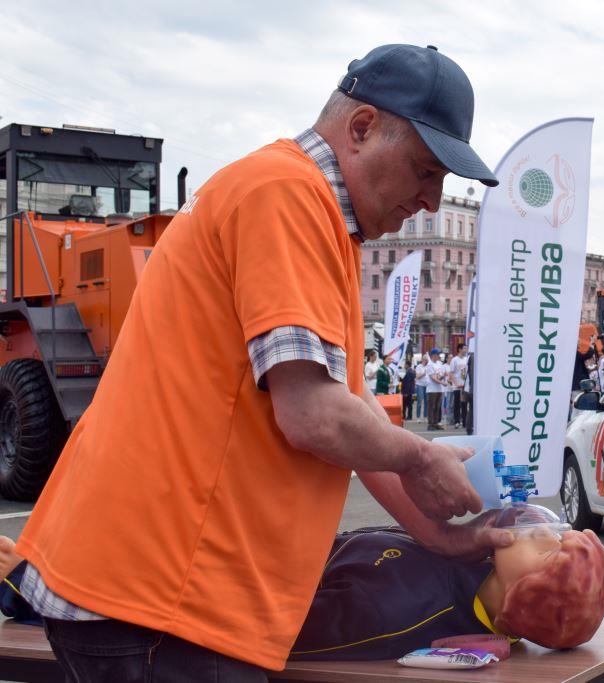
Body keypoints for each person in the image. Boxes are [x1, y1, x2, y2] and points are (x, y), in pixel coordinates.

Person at [13, 43, 505, 679]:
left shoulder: (305, 209)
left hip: (155, 594)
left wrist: (439, 535)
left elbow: (350, 410)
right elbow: (313, 416)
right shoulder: (287, 194)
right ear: (362, 128)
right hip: (164, 599)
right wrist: (420, 457)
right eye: (425, 171)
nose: (432, 201)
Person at [1, 526, 604, 659]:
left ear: (524, 597)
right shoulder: (466, 563)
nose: (542, 530)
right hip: (244, 556)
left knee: (53, 573)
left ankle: (24, 588)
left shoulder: (406, 610)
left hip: (204, 592)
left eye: (551, 549)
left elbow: (284, 631)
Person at [426, 348, 446, 431]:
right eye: (438, 354)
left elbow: (439, 375)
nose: (439, 356)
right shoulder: (430, 365)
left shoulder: (439, 364)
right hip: (432, 389)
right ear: (434, 355)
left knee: (437, 407)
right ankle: (431, 424)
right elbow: (433, 377)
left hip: (439, 389)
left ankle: (436, 423)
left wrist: (443, 377)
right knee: (432, 407)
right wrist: (442, 383)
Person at [449, 344, 469, 428]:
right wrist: (456, 383)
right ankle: (457, 421)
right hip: (457, 385)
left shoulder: (466, 359)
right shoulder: (454, 360)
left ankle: (464, 422)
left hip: (465, 385)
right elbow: (451, 373)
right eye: (464, 348)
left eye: (466, 348)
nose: (466, 350)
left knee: (464, 404)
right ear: (459, 349)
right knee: (457, 404)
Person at [414, 355, 430, 422]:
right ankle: (418, 417)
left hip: (427, 385)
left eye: (427, 360)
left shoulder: (428, 366)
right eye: (426, 360)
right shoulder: (419, 366)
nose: (427, 361)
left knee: (427, 402)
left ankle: (425, 416)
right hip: (420, 385)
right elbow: (417, 377)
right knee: (420, 401)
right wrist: (424, 373)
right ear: (423, 360)